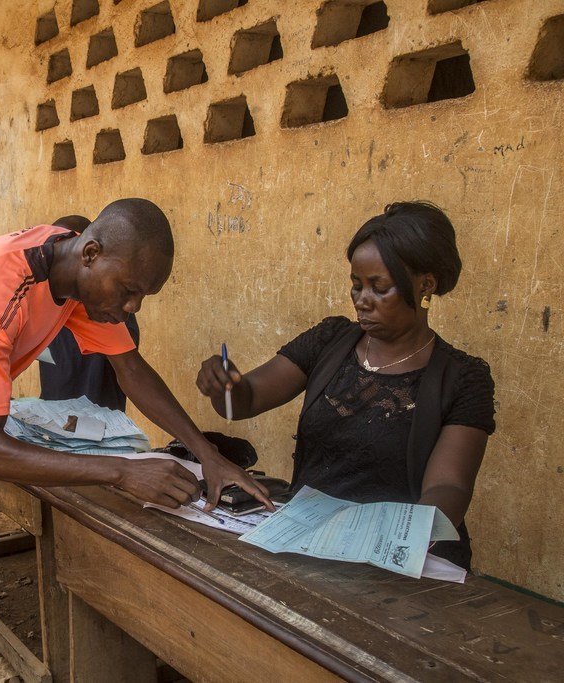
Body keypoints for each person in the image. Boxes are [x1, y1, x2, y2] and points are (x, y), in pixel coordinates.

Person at [0, 198, 273, 682]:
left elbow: (131, 369)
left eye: (143, 297)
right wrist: (122, 471)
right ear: (92, 252)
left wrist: (209, 454)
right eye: (129, 291)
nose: (132, 307)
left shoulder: (70, 272)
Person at [197, 202, 495, 569]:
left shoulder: (462, 378)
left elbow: (448, 487)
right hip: (312, 547)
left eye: (378, 287)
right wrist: (225, 383)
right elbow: (247, 399)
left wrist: (399, 541)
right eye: (356, 285)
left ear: (425, 285)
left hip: (405, 561)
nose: (361, 300)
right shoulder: (330, 341)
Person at [38, 215, 139, 411]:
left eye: (67, 248)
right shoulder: (43, 303)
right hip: (53, 423)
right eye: (53, 249)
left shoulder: (109, 309)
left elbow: (131, 369)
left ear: (89, 254)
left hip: (101, 426)